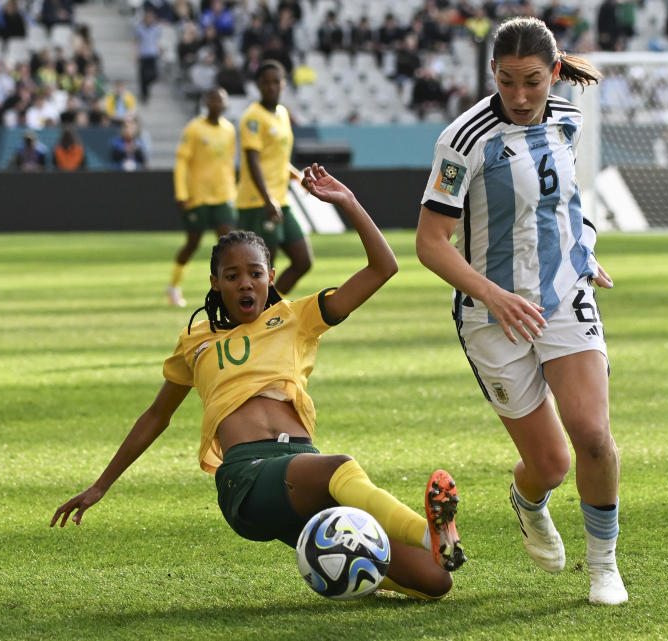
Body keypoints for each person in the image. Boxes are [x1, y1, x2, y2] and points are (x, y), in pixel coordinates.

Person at [50, 164, 466, 600]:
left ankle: (390, 564)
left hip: (303, 471)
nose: (245, 283)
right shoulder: (195, 342)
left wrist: (349, 203)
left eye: (255, 273)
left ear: (271, 275)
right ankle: (430, 533)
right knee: (341, 466)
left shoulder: (296, 317)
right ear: (215, 282)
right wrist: (101, 484)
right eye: (232, 276)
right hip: (247, 480)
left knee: (436, 582)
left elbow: (383, 267)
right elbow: (156, 415)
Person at [414, 16, 627, 606]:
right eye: (507, 82)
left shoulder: (569, 118)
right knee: (551, 463)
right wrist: (491, 294)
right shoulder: (463, 140)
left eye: (533, 81)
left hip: (563, 295)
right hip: (492, 316)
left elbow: (570, 201)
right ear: (493, 76)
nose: (521, 96)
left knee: (592, 434)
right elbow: (430, 242)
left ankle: (603, 566)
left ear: (554, 73)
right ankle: (528, 501)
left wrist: (585, 250)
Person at [234, 60, 312, 296]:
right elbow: (253, 160)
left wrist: (297, 177)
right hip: (257, 202)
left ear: (284, 83)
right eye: (266, 82)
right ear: (258, 85)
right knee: (263, 269)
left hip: (280, 200)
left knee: (303, 261)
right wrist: (267, 200)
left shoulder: (282, 113)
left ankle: (270, 311)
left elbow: (276, 158)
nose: (271, 86)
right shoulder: (253, 118)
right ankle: (258, 320)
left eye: (276, 81)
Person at [168, 87, 238, 308]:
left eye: (221, 101)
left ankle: (225, 293)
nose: (217, 104)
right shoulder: (194, 129)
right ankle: (174, 286)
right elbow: (181, 163)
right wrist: (181, 193)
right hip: (197, 196)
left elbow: (227, 163)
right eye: (213, 100)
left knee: (229, 245)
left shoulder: (229, 130)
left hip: (223, 195)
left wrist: (232, 191)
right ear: (206, 103)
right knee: (192, 243)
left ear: (226, 105)